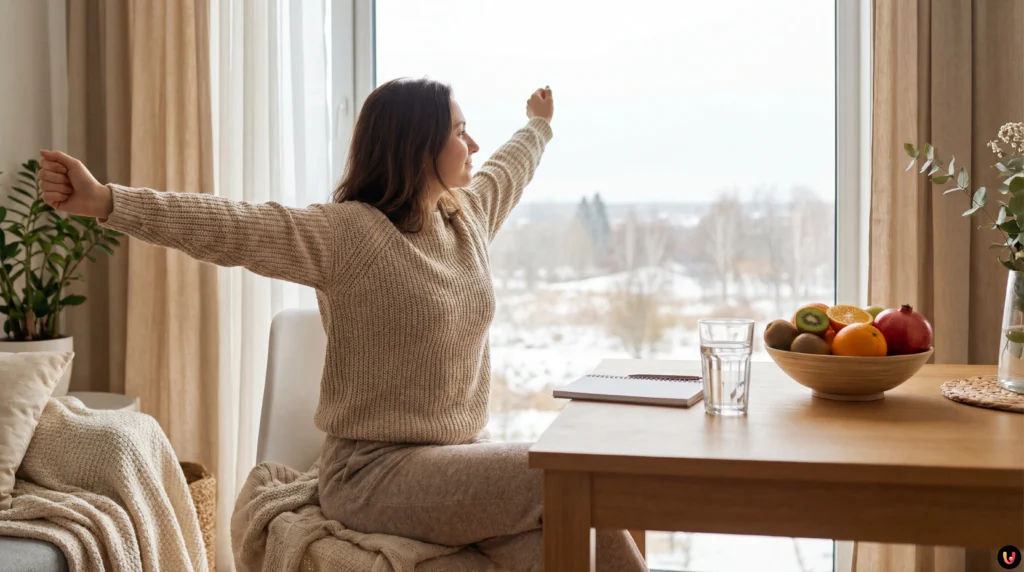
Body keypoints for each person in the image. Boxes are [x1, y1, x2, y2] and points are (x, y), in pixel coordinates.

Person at [38, 77, 647, 572]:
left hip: (454, 461)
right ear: (418, 144)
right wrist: (107, 202)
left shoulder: (465, 218)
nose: (474, 145)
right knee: (555, 474)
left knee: (564, 549)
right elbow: (232, 226)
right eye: (459, 132)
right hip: (374, 474)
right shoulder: (350, 234)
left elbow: (507, 168)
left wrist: (537, 125)